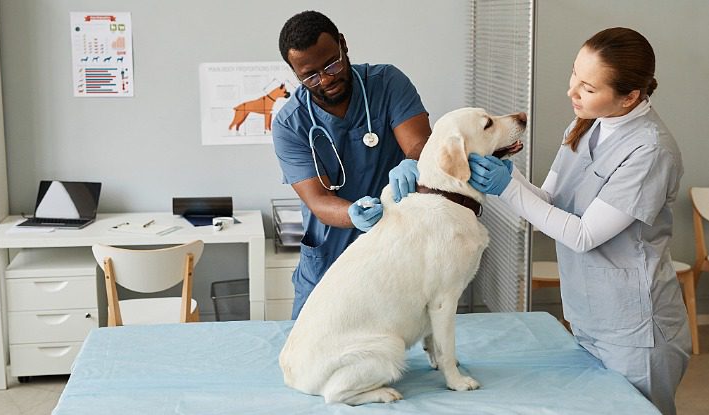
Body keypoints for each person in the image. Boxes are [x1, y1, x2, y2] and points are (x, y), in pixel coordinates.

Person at [467, 28, 690, 414]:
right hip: (588, 316)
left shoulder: (650, 150)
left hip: (635, 330)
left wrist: (507, 188)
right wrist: (510, 175)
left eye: (587, 87)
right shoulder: (585, 124)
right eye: (574, 74)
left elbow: (584, 235)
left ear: (631, 97)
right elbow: (551, 204)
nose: (572, 92)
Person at [272, 11, 431, 319]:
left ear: (343, 45)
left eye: (332, 63)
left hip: (395, 250)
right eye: (311, 76)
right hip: (329, 258)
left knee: (396, 347)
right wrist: (352, 214)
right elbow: (319, 201)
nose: (326, 79)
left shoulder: (386, 84)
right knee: (311, 351)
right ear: (295, 74)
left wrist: (412, 163)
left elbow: (418, 144)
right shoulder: (290, 124)